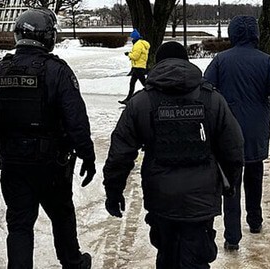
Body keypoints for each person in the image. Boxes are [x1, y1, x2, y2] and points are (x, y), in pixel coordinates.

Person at [103, 41, 244, 268]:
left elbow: (120, 153)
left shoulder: (141, 102)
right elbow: (234, 147)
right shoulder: (212, 99)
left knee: (167, 255)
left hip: (162, 197)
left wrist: (113, 191)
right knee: (197, 257)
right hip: (201, 198)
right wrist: (229, 183)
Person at [0, 8, 95, 269]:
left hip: (13, 162)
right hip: (51, 163)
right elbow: (76, 119)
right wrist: (87, 154)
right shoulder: (57, 71)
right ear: (48, 37)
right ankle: (72, 263)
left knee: (19, 223)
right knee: (62, 214)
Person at [204, 15, 270, 250]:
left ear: (232, 34)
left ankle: (232, 237)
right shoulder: (266, 60)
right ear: (255, 34)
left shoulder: (221, 60)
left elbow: (205, 87)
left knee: (231, 184)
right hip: (256, 130)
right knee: (254, 178)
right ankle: (255, 220)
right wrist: (266, 100)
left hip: (228, 130)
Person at [119, 29, 150, 105]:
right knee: (132, 83)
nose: (131, 39)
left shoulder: (138, 45)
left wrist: (128, 54)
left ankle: (152, 95)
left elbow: (135, 56)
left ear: (135, 38)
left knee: (144, 83)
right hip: (139, 66)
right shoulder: (141, 44)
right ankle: (128, 99)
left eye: (132, 38)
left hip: (138, 67)